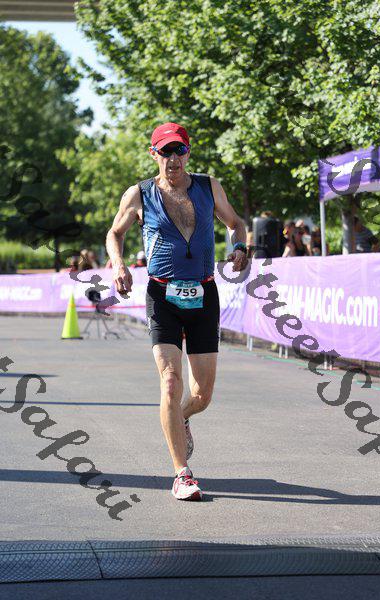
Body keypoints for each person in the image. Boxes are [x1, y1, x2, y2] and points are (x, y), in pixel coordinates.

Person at [106, 122, 248, 501]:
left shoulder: (208, 187)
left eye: (179, 151)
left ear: (188, 152)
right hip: (162, 295)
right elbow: (115, 233)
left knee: (202, 395)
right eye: (165, 151)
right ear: (153, 154)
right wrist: (118, 264)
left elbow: (236, 224)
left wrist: (239, 248)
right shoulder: (140, 193)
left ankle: (181, 417)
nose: (173, 159)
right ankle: (181, 473)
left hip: (204, 294)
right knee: (170, 381)